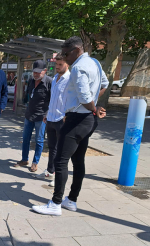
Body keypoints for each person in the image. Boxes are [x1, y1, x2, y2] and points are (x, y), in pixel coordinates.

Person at [32, 36, 109, 216]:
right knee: (78, 160)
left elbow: (83, 96)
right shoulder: (95, 63)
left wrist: (93, 108)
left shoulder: (78, 68)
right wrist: (94, 106)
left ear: (76, 50)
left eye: (66, 54)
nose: (64, 58)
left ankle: (55, 203)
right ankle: (71, 200)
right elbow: (104, 84)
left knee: (60, 161)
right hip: (87, 120)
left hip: (77, 119)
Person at [35, 53, 70, 186]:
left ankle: (58, 177)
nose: (57, 67)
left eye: (60, 64)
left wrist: (68, 114)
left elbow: (71, 99)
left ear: (67, 64)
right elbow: (53, 99)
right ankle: (50, 171)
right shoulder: (55, 78)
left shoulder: (70, 79)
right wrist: (47, 113)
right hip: (51, 117)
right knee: (52, 147)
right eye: (56, 64)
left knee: (61, 149)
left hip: (62, 118)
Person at [14, 60, 52, 172]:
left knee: (39, 140)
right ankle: (24, 159)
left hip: (41, 116)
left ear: (45, 71)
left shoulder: (50, 82)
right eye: (34, 72)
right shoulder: (31, 80)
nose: (35, 74)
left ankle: (35, 162)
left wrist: (47, 114)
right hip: (29, 115)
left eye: (38, 72)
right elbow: (28, 95)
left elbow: (53, 100)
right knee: (25, 139)